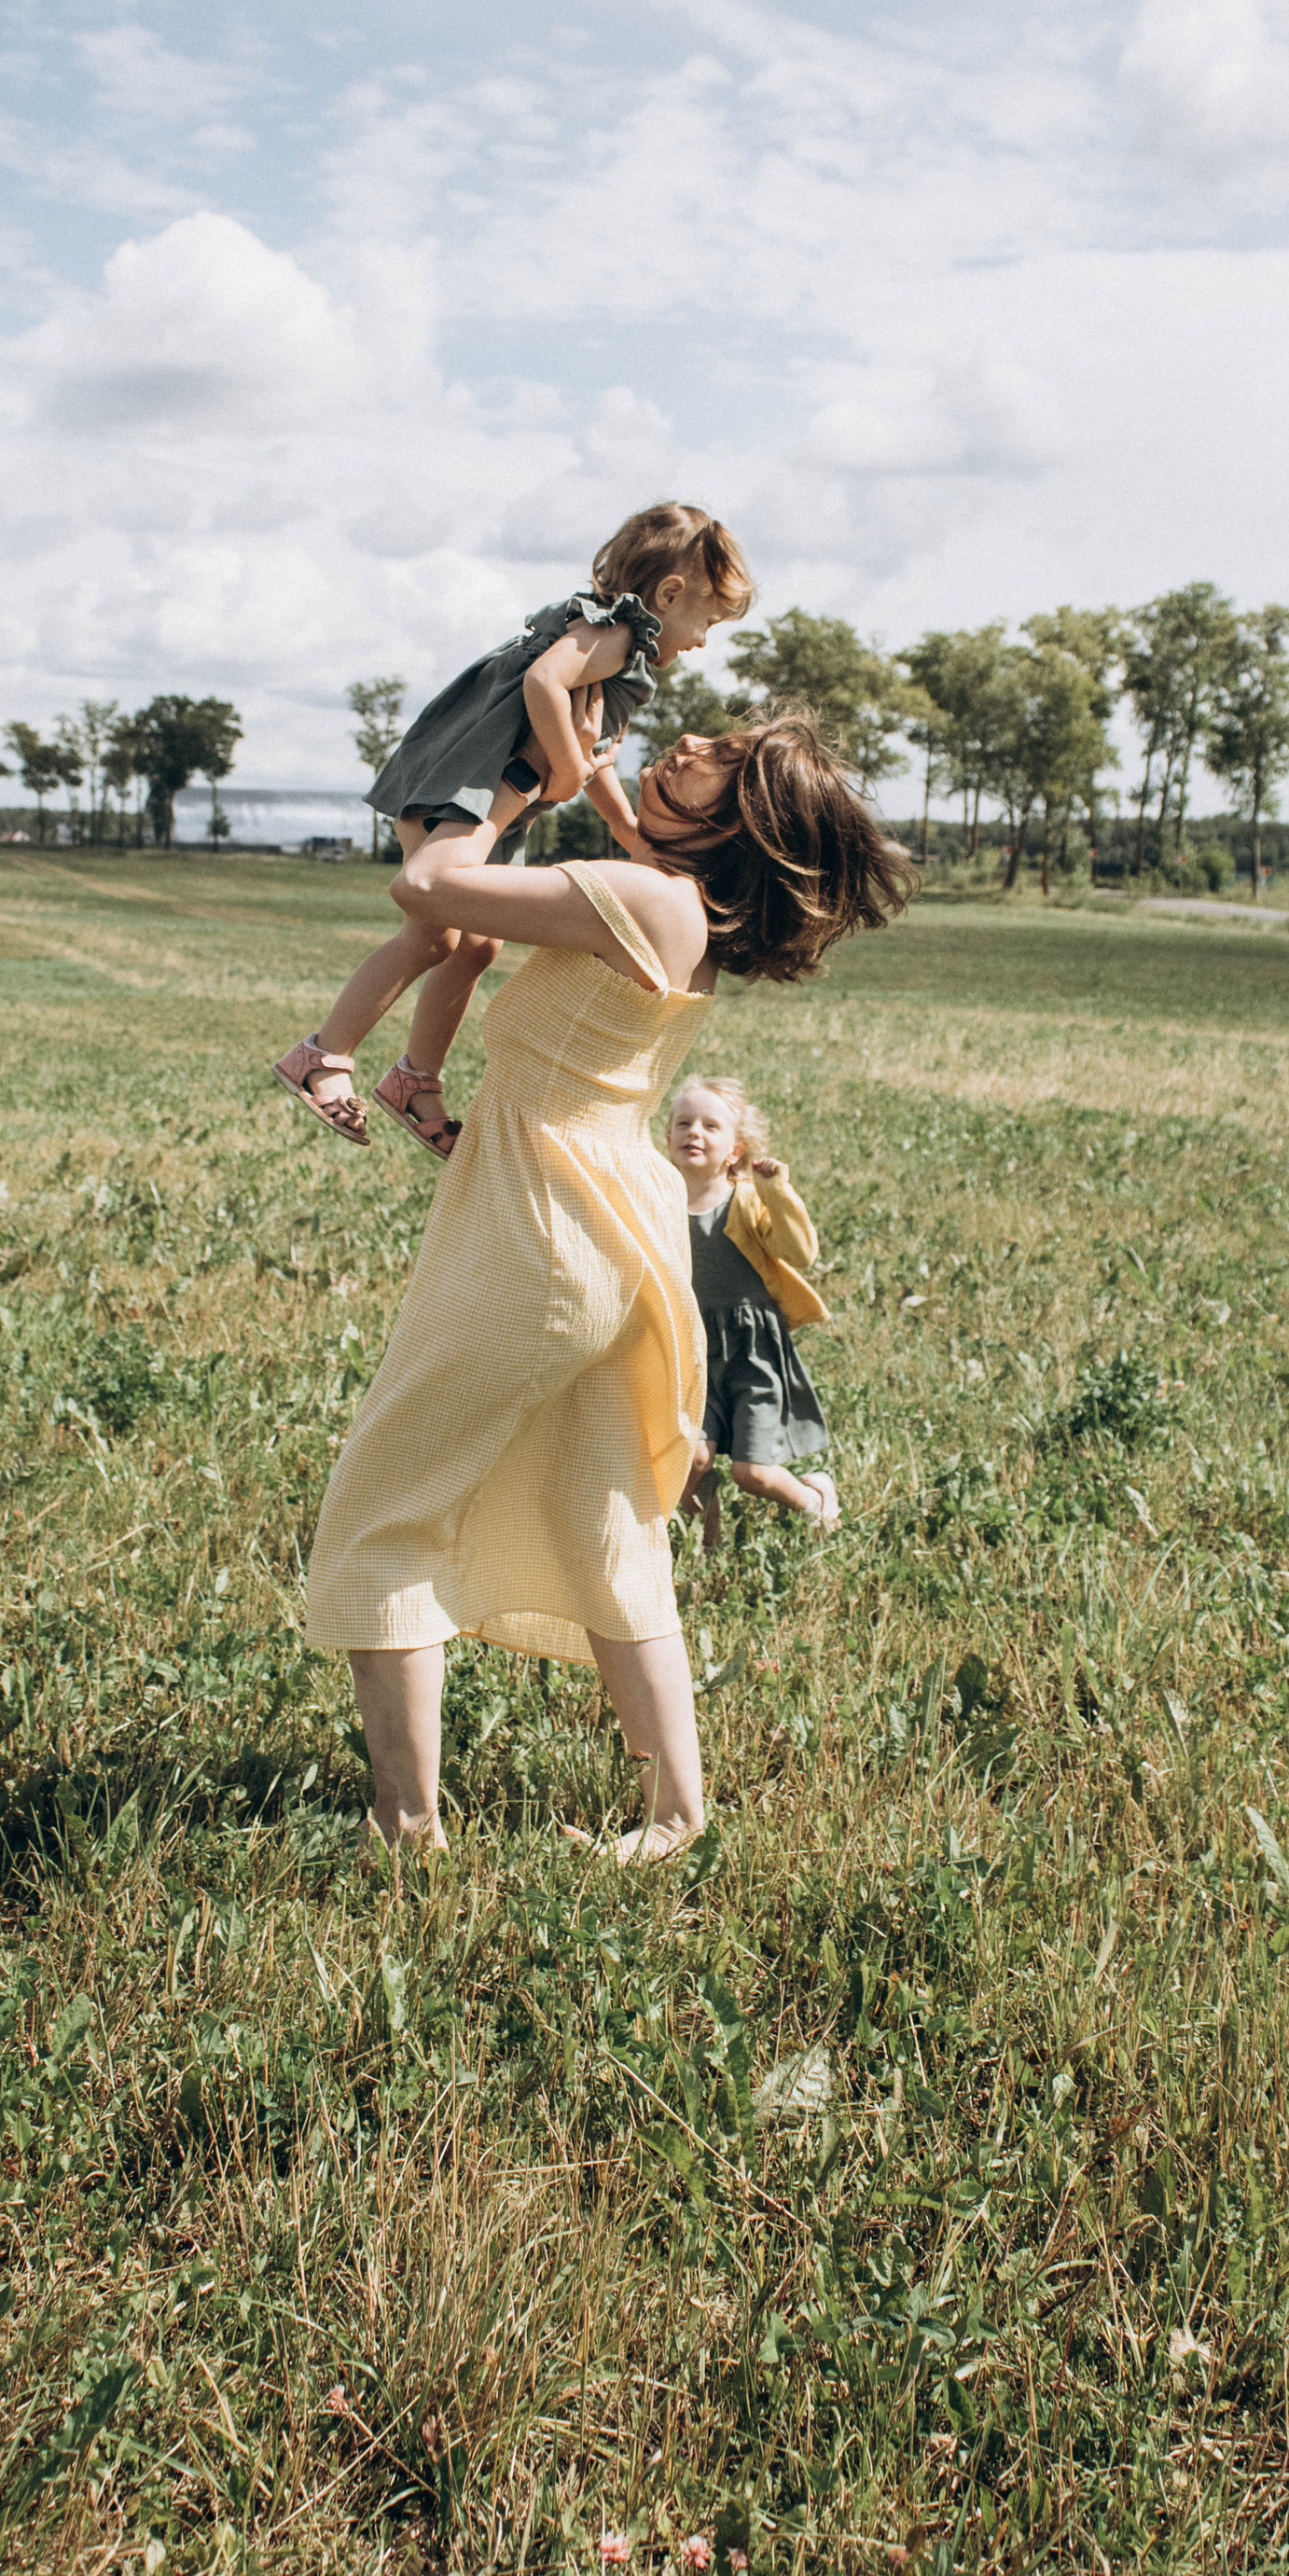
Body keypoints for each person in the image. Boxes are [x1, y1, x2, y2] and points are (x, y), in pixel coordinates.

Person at [304, 713, 913, 1864]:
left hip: (539, 1238)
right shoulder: (681, 903)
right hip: (612, 1228)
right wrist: (593, 780)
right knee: (608, 1525)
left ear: (741, 813)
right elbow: (629, 837)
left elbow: (429, 883)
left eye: (718, 753)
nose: (686, 738)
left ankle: (403, 1830)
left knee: (382, 1511)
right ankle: (676, 1818)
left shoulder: (631, 898)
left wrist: (487, 784)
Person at [273, 504, 754, 1161]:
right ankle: (324, 1055)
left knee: (476, 948)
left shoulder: (623, 655)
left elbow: (594, 756)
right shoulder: (614, 635)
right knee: (434, 934)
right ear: (669, 595)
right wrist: (560, 765)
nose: (701, 640)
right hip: (462, 783)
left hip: (492, 796)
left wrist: (620, 818)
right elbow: (543, 684)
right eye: (708, 621)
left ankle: (415, 1080)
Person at [669, 1076, 837, 1543]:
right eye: (683, 1123)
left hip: (751, 1348)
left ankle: (814, 1501)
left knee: (753, 1473)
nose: (693, 1132)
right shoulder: (660, 1198)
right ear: (667, 1138)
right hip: (692, 1348)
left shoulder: (745, 1199)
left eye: (709, 1126)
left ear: (735, 1149)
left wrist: (777, 1192)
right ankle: (707, 1538)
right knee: (692, 1457)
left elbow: (800, 1253)